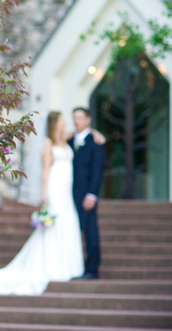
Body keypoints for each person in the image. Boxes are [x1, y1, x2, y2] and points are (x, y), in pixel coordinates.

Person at [0, 111, 84, 296]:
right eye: (62, 120)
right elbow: (45, 171)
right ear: (54, 124)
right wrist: (44, 195)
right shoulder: (48, 144)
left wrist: (94, 133)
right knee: (54, 225)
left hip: (66, 192)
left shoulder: (64, 140)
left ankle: (67, 265)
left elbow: (79, 132)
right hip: (55, 189)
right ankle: (53, 265)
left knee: (67, 222)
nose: (65, 123)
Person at [68, 107, 106, 280]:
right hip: (68, 194)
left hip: (86, 194)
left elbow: (97, 170)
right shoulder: (69, 141)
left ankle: (92, 269)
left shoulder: (95, 142)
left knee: (90, 231)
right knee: (71, 231)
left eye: (80, 118)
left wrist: (92, 194)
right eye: (75, 118)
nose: (77, 121)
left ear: (88, 120)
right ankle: (73, 266)